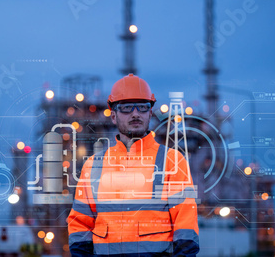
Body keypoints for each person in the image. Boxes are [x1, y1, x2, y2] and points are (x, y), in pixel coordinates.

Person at [67, 74, 199, 256]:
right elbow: (80, 224)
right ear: (113, 116)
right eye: (127, 108)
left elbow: (185, 226)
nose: (135, 113)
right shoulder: (93, 165)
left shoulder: (172, 161)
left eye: (142, 107)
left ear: (150, 113)